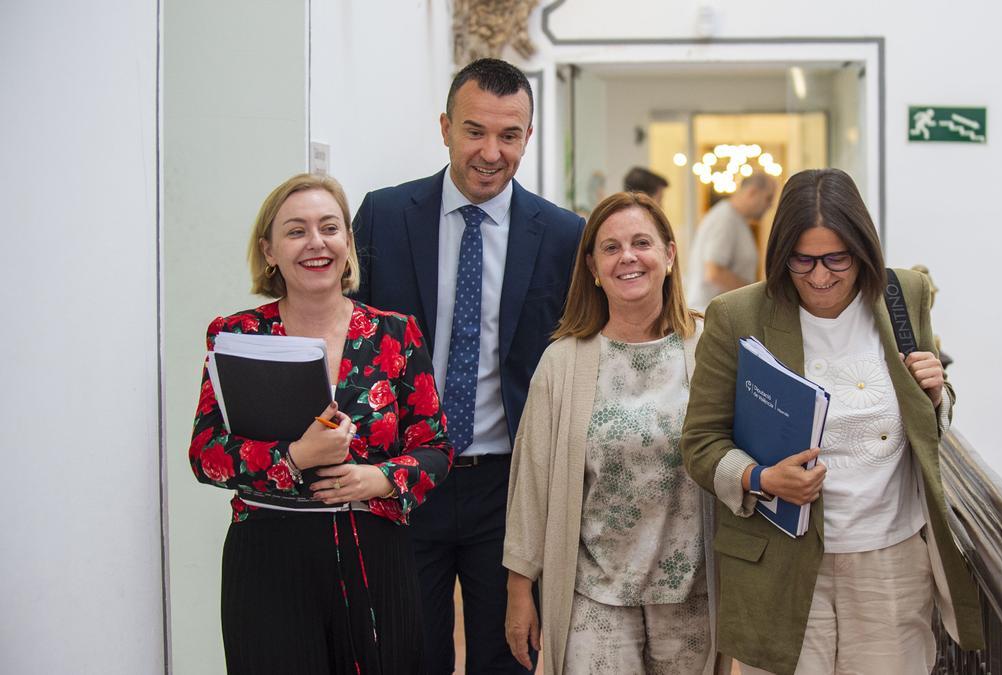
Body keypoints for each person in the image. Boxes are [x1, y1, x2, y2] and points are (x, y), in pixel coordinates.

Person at [680, 168, 983, 674]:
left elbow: (933, 407)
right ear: (780, 255)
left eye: (836, 259)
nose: (820, 276)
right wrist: (761, 478)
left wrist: (936, 394)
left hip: (890, 555)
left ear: (863, 251)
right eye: (802, 260)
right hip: (780, 559)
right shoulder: (738, 315)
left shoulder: (903, 295)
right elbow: (700, 442)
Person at [351, 57, 585, 673]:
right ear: (445, 127)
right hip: (405, 478)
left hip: (509, 486)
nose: (491, 151)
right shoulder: (383, 214)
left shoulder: (563, 235)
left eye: (509, 135)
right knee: (407, 653)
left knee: (507, 656)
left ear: (527, 137)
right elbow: (350, 340)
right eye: (474, 130)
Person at [188, 173, 453, 674]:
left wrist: (379, 478)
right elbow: (205, 453)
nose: (316, 243)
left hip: (376, 555)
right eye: (296, 231)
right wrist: (295, 459)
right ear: (269, 251)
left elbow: (435, 447)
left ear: (348, 243)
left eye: (330, 228)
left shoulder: (394, 333)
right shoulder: (238, 333)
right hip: (268, 560)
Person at [502, 192, 720, 675]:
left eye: (642, 242)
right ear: (593, 267)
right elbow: (531, 485)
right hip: (594, 592)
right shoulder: (562, 362)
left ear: (669, 253)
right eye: (611, 247)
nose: (628, 257)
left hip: (692, 593)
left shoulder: (708, 349)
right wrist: (521, 591)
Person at [684, 172, 777, 310]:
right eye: (768, 198)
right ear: (752, 193)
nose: (770, 205)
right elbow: (714, 273)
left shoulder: (736, 219)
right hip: (710, 314)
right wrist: (757, 296)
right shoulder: (725, 219)